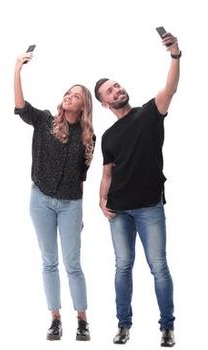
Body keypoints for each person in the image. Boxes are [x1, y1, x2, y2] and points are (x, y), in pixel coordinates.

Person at [93, 29, 180, 348]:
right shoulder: (109, 137)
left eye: (116, 85)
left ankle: (167, 327)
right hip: (119, 212)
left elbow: (170, 88)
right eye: (109, 90)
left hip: (149, 207)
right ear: (103, 103)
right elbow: (106, 174)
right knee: (122, 267)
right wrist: (101, 201)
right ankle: (123, 325)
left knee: (159, 266)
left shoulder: (149, 113)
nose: (116, 90)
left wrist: (175, 54)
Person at [12, 48, 95, 342]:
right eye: (68, 92)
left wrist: (81, 213)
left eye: (76, 95)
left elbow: (82, 177)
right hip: (41, 200)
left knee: (73, 263)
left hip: (71, 204)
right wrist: (18, 70)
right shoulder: (46, 120)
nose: (69, 96)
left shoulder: (88, 137)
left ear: (84, 105)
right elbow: (21, 107)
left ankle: (82, 320)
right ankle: (55, 319)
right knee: (49, 261)